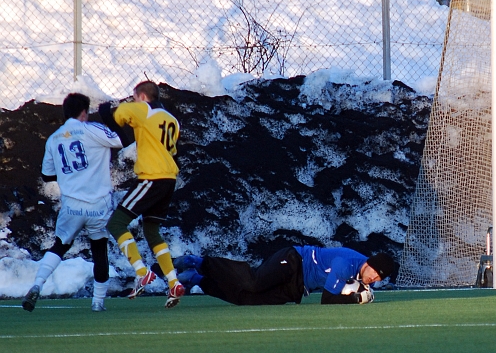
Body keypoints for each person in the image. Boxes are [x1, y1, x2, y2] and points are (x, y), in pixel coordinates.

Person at [22, 93, 123, 313]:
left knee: (59, 246)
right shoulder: (93, 130)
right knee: (99, 249)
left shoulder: (54, 138)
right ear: (84, 112)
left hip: (72, 205)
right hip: (99, 203)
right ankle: (97, 302)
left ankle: (37, 284)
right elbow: (120, 139)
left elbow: (48, 175)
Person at [98, 81, 185, 308]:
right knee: (152, 230)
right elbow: (172, 150)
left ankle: (141, 271)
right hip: (169, 179)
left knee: (116, 223)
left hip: (152, 177)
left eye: (134, 97)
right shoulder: (172, 120)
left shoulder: (143, 108)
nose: (133, 100)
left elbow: (118, 116)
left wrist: (106, 109)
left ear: (142, 96)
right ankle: (174, 282)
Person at [167, 246, 399, 305]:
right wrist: (356, 299)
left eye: (379, 279)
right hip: (293, 260)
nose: (374, 279)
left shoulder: (360, 274)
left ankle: (197, 280)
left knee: (247, 299)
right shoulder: (346, 264)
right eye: (375, 273)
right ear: (369, 263)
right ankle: (199, 262)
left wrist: (360, 292)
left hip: (298, 287)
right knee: (253, 281)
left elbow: (351, 287)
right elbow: (327, 299)